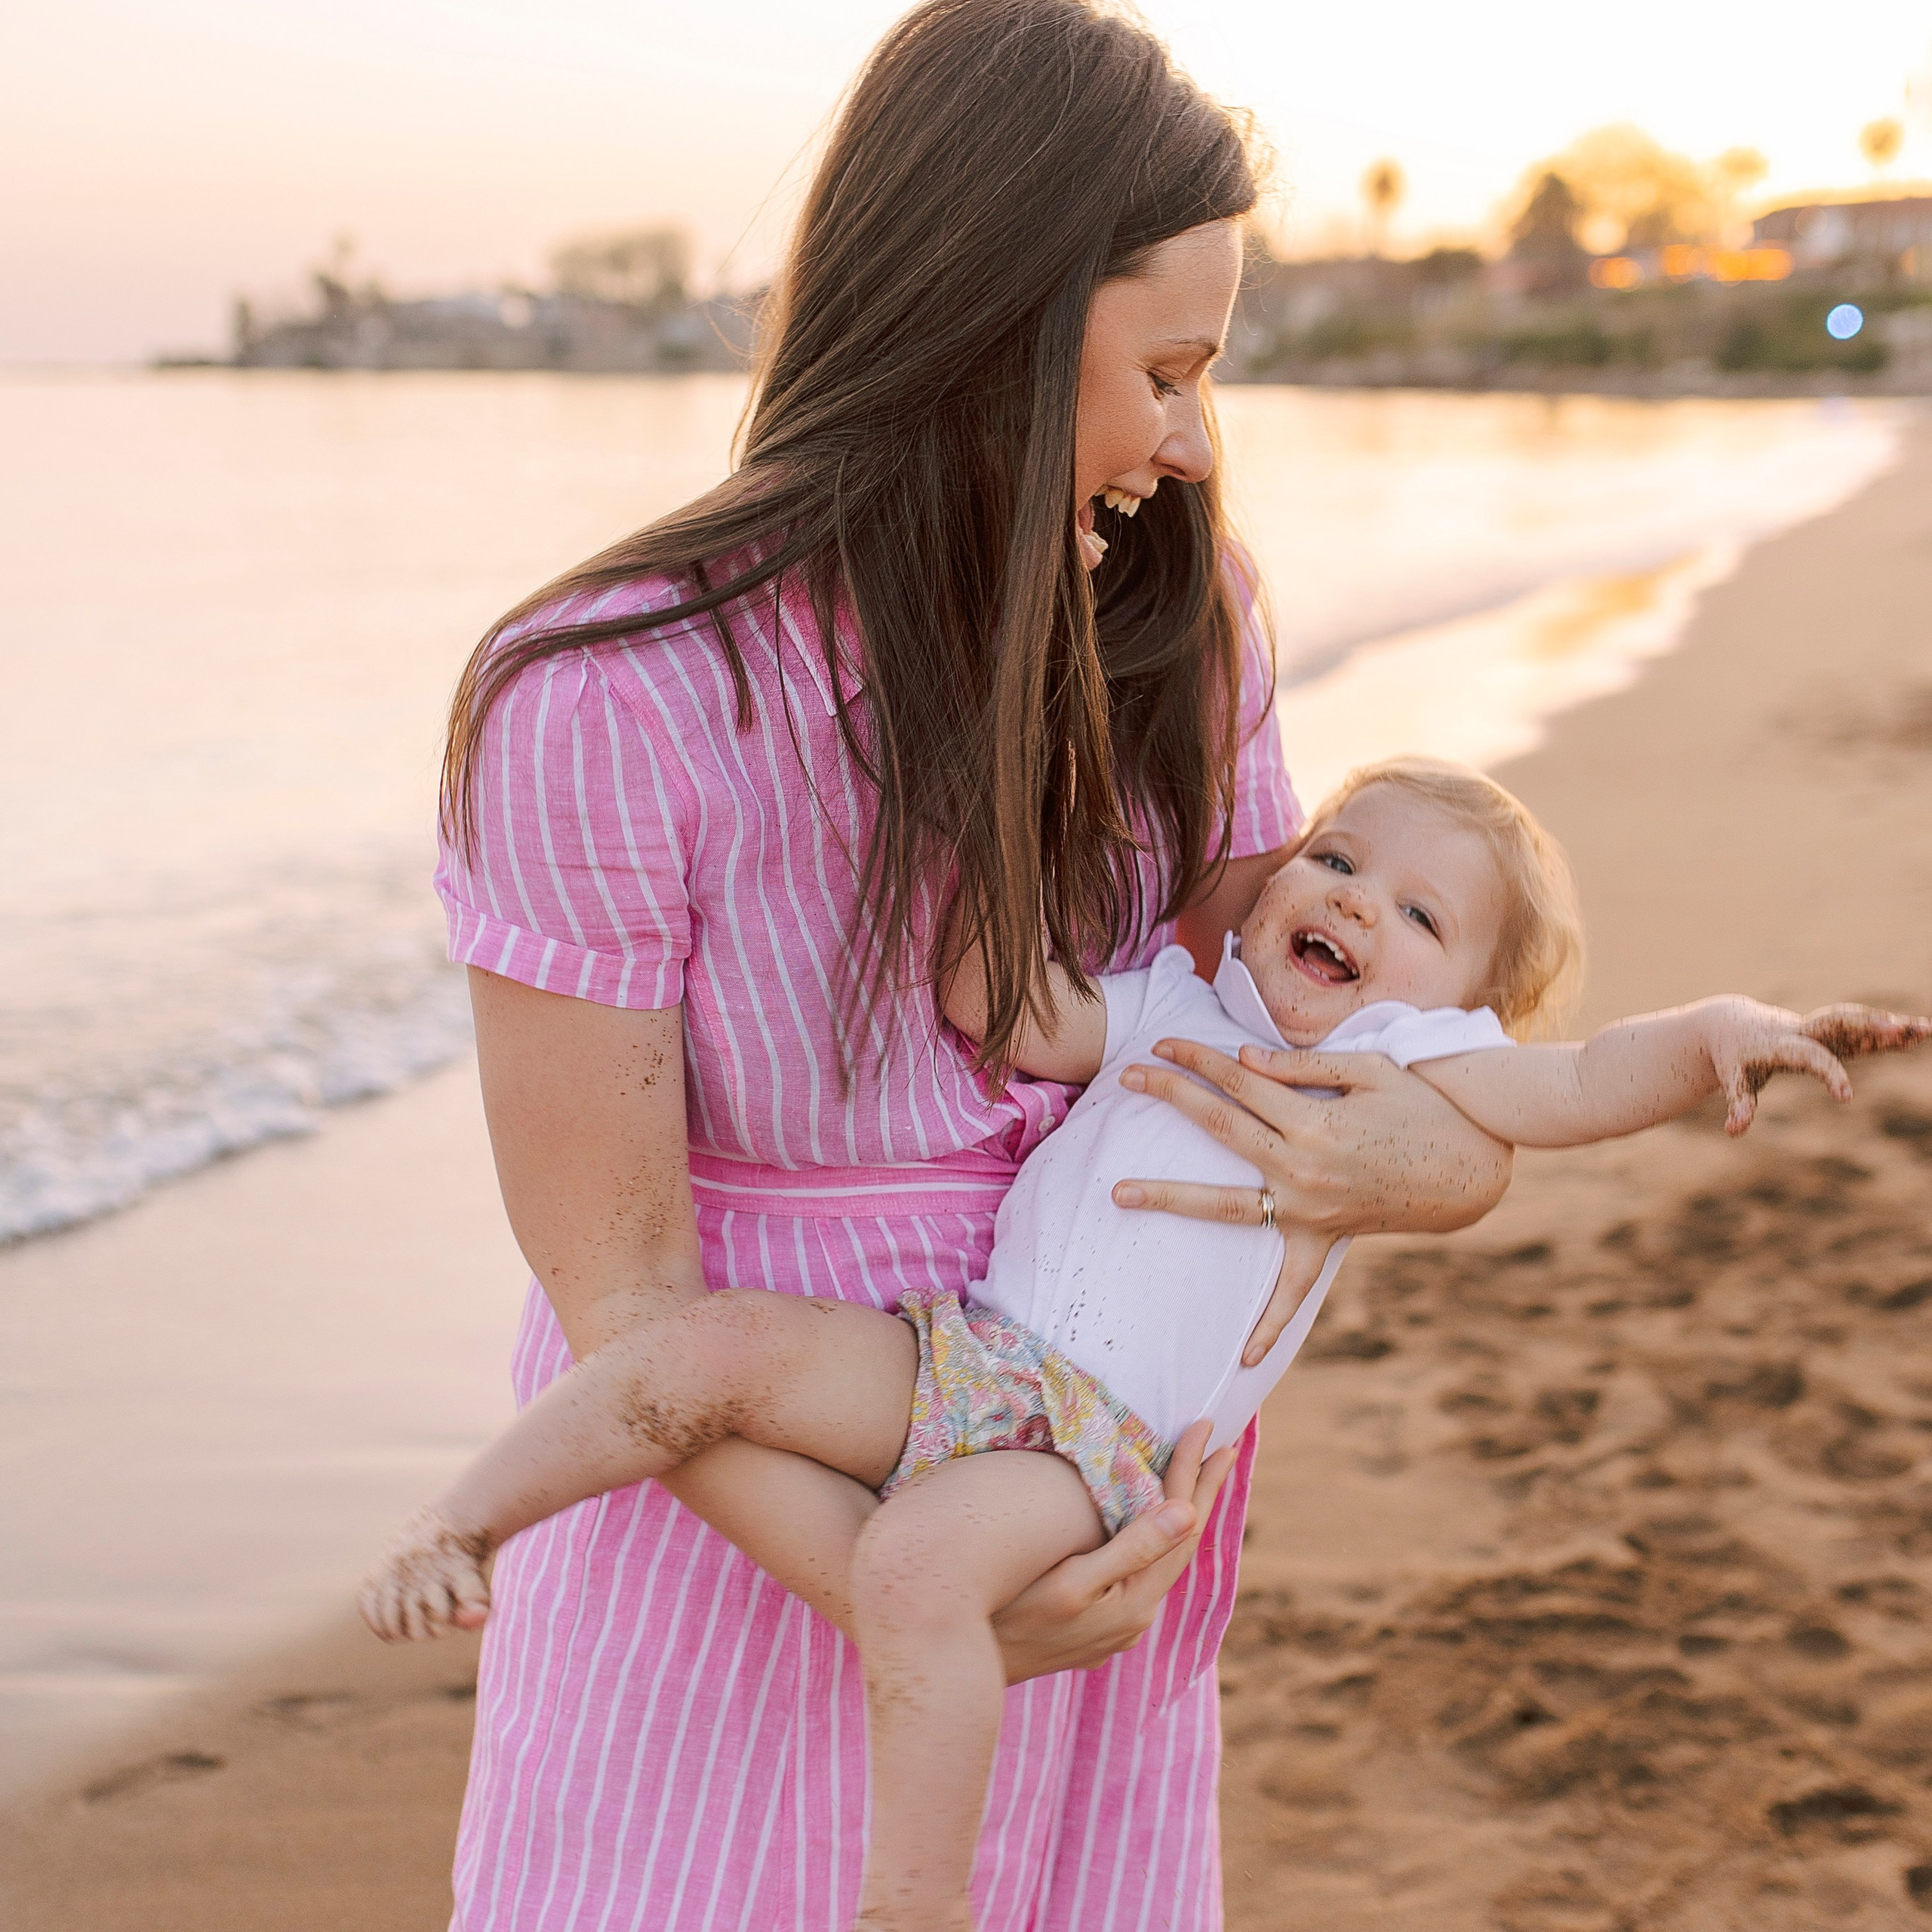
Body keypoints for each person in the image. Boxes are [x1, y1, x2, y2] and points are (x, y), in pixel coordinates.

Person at [424, 6, 1524, 1927]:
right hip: (756, 1522)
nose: (1192, 441)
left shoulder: (1192, 623)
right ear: (995, 331)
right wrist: (894, 1576)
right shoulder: (603, 696)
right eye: (1163, 370)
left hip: (1092, 1514)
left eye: (1208, 376)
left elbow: (1312, 1033)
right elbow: (617, 1292)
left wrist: (1446, 1165)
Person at [367, 757, 1927, 1930]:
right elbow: (1007, 1009)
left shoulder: (1417, 1058)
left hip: (1092, 1444)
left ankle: (908, 1905)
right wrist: (967, 820)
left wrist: (1720, 1025)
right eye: (1334, 855)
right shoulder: (1173, 1000)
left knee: (914, 1568)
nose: (1353, 903)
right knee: (707, 1353)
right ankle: (464, 1523)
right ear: (1261, 883)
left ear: (1467, 997)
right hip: (969, 1350)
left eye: (1416, 912)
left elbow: (1588, 1077)